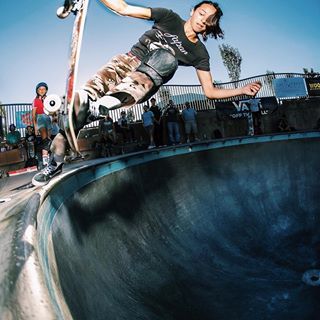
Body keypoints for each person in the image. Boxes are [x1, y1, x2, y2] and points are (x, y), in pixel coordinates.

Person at [32, 0, 261, 186]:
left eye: (209, 20)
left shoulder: (199, 53)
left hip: (146, 80)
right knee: (79, 109)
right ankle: (58, 157)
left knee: (167, 58)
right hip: (126, 63)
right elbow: (123, 8)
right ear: (192, 11)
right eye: (201, 13)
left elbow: (209, 92)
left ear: (211, 26)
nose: (203, 20)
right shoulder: (168, 17)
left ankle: (104, 104)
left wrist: (241, 90)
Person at [32, 82, 52, 166]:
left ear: (46, 90)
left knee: (49, 140)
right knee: (45, 141)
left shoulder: (49, 99)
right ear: (37, 91)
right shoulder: (35, 100)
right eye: (39, 89)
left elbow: (52, 111)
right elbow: (33, 115)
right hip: (40, 119)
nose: (41, 90)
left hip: (47, 118)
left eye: (43, 89)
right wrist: (35, 127)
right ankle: (45, 161)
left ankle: (48, 158)